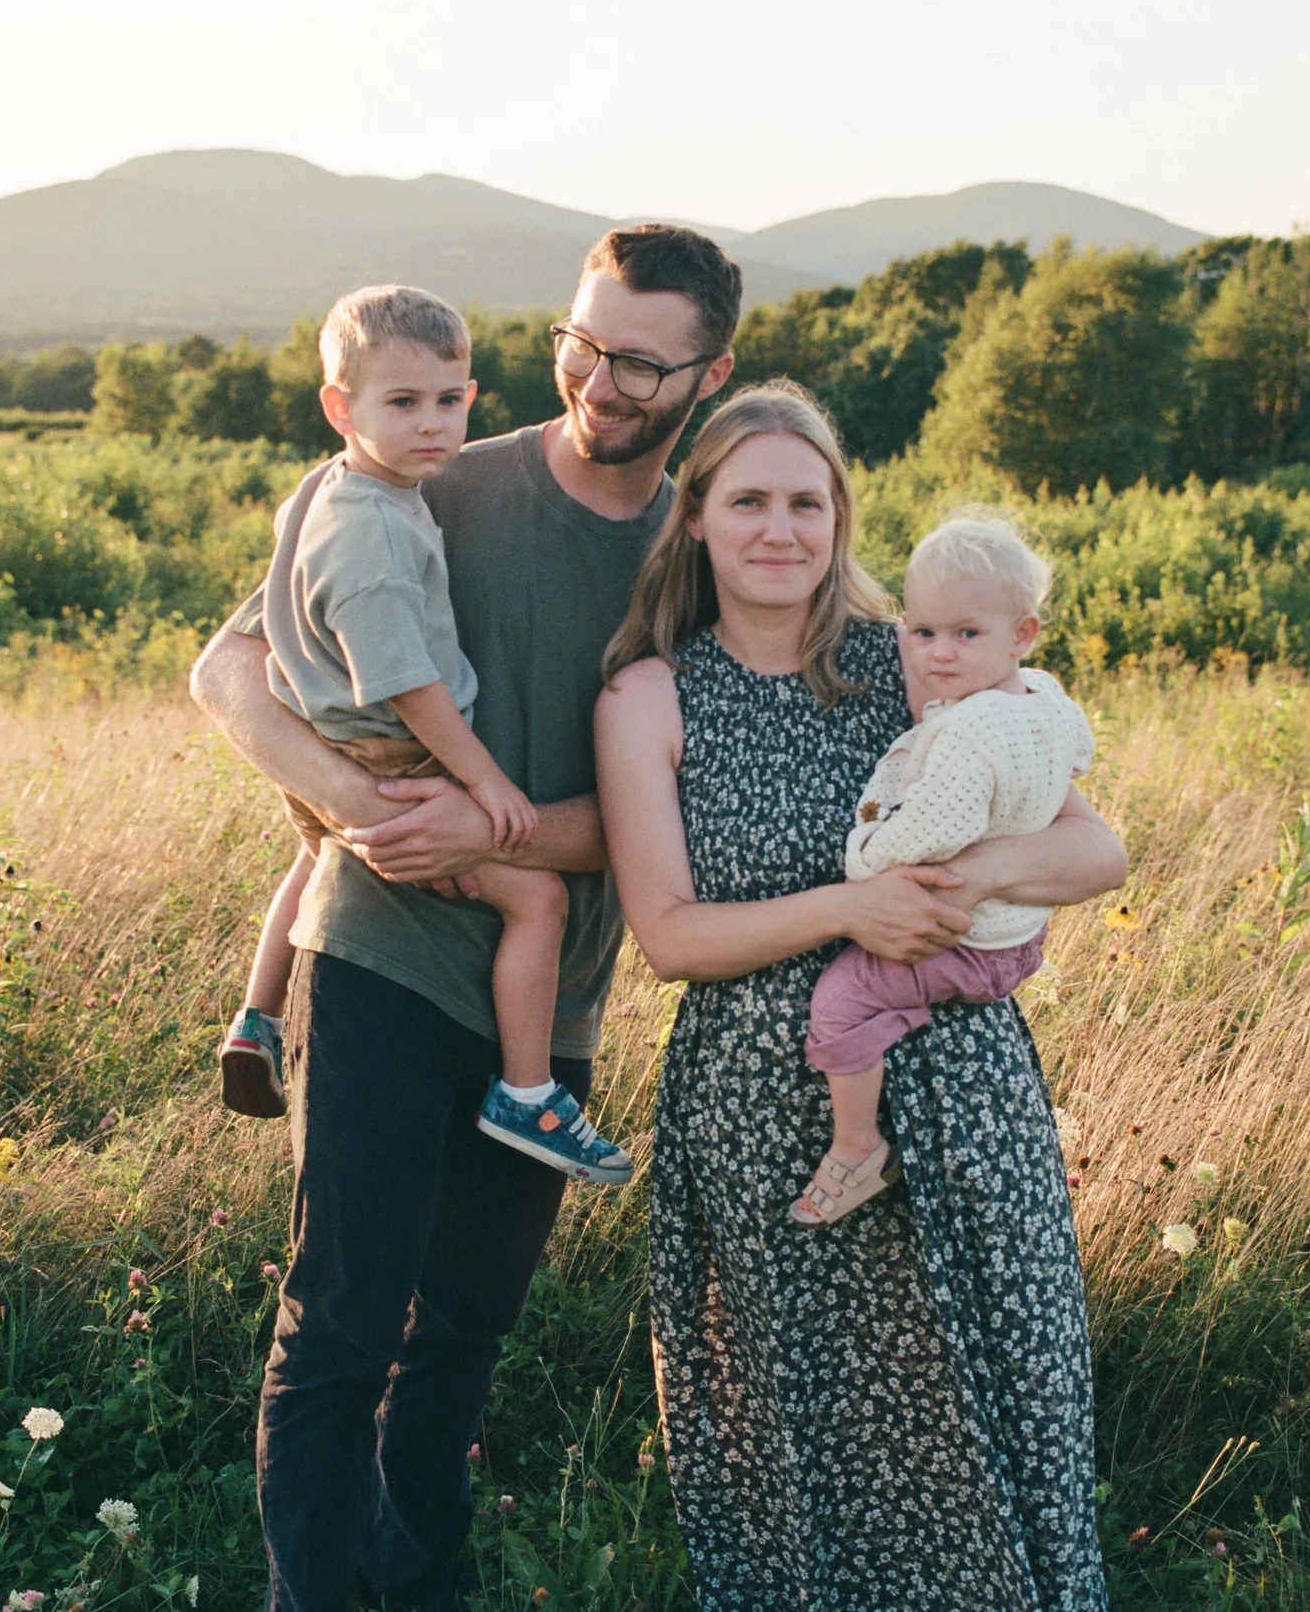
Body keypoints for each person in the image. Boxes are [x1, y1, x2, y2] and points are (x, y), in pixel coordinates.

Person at [191, 226, 801, 1612]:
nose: (602, 376)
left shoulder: (704, 556)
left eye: (642, 359)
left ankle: (422, 1586)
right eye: (585, 341)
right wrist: (361, 799)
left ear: (706, 373)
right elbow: (228, 666)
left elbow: (686, 818)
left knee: (462, 1330)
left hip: (551, 1002)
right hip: (382, 951)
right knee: (341, 1319)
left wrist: (490, 821)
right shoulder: (433, 478)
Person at [595, 385, 1122, 1609]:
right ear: (696, 522)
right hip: (768, 1126)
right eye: (749, 502)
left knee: (990, 1413)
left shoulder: (924, 657)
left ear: (839, 517)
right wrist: (849, 910)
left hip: (963, 1099)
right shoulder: (650, 696)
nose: (780, 529)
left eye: (806, 501)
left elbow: (1097, 853)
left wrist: (965, 875)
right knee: (810, 1444)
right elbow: (667, 936)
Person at [213, 282, 629, 1186]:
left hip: (318, 726)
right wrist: (487, 787)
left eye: (449, 400)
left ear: (472, 395)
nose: (432, 425)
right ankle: (527, 1089)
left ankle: (257, 1017)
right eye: (402, 404)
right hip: (391, 755)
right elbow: (409, 687)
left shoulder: (340, 486)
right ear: (340, 407)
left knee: (313, 855)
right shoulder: (370, 536)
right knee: (540, 901)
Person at [789, 514, 1096, 1227]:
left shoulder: (971, 730)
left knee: (842, 998)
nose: (940, 654)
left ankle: (856, 1145)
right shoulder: (1045, 697)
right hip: (1017, 936)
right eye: (923, 633)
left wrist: (866, 858)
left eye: (966, 634)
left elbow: (936, 830)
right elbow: (1078, 751)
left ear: (1022, 634)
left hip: (964, 938)